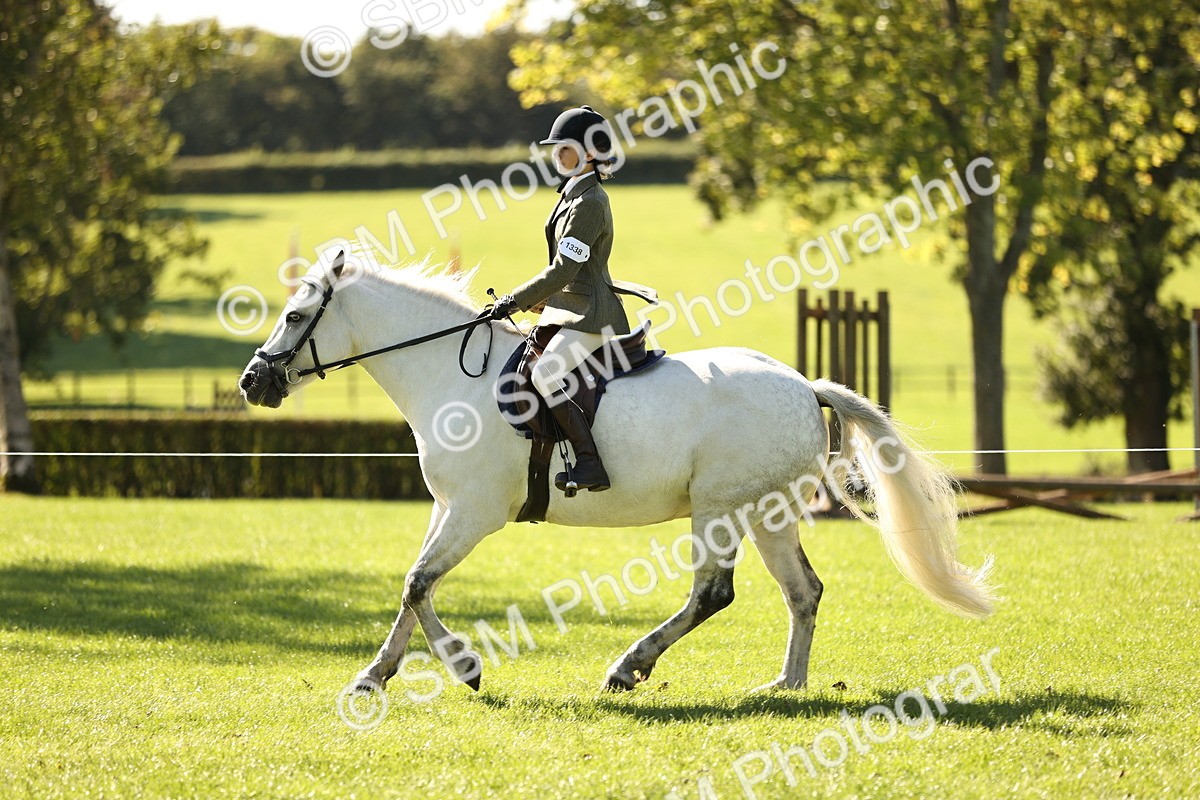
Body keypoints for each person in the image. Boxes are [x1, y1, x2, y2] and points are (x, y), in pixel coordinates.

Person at [492, 105, 656, 493]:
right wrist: (542, 302)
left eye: (562, 147)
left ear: (587, 151)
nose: (555, 155)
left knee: (545, 373)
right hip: (571, 307)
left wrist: (514, 300)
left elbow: (565, 269)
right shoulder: (573, 194)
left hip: (591, 315)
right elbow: (568, 272)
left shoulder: (590, 202)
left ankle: (589, 462)